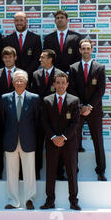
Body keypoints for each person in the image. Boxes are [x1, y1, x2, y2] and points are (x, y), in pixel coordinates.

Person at [40, 72, 81, 211]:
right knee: (50, 172)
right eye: (58, 82)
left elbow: (75, 123)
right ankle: (50, 200)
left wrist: (63, 137)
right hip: (52, 143)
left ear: (67, 84)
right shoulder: (47, 100)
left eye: (63, 82)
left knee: (71, 172)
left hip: (69, 142)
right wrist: (54, 138)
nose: (61, 85)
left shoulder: (74, 100)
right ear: (54, 84)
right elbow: (44, 122)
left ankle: (74, 201)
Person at [0, 70, 40, 210]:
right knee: (11, 172)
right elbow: (2, 120)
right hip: (10, 140)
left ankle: (29, 199)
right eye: (16, 80)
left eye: (21, 80)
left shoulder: (34, 98)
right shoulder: (4, 98)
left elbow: (37, 121)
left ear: (26, 82)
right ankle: (13, 200)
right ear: (12, 82)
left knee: (29, 171)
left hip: (28, 140)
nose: (18, 82)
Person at [68, 39, 107, 181]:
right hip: (77, 110)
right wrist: (80, 106)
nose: (85, 51)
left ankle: (101, 171)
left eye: (88, 48)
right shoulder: (73, 68)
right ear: (79, 50)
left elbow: (101, 90)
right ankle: (73, 170)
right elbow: (71, 89)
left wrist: (89, 106)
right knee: (73, 142)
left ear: (92, 50)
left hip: (94, 110)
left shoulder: (100, 67)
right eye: (83, 48)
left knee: (98, 141)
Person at [29, 49, 65, 179]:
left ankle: (59, 172)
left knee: (56, 146)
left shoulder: (60, 74)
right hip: (39, 117)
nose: (40, 60)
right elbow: (33, 95)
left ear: (50, 59)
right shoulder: (36, 74)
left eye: (42, 57)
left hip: (55, 117)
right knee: (38, 145)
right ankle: (37, 171)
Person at [0, 46, 21, 179]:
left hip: (17, 115)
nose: (8, 59)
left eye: (10, 57)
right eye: (5, 57)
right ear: (2, 59)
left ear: (15, 58)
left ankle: (19, 174)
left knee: (19, 144)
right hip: (0, 115)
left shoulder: (21, 73)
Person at [3, 11, 42, 80]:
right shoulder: (7, 40)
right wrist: (16, 73)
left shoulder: (35, 38)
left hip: (30, 77)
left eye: (21, 20)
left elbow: (37, 59)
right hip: (13, 77)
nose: (19, 23)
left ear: (26, 21)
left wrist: (26, 73)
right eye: (16, 20)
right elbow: (6, 59)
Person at [43, 10, 82, 74]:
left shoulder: (76, 37)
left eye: (62, 17)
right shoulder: (48, 38)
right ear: (55, 21)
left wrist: (71, 71)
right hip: (53, 74)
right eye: (57, 18)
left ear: (67, 20)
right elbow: (46, 57)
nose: (59, 19)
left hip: (72, 73)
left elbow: (79, 57)